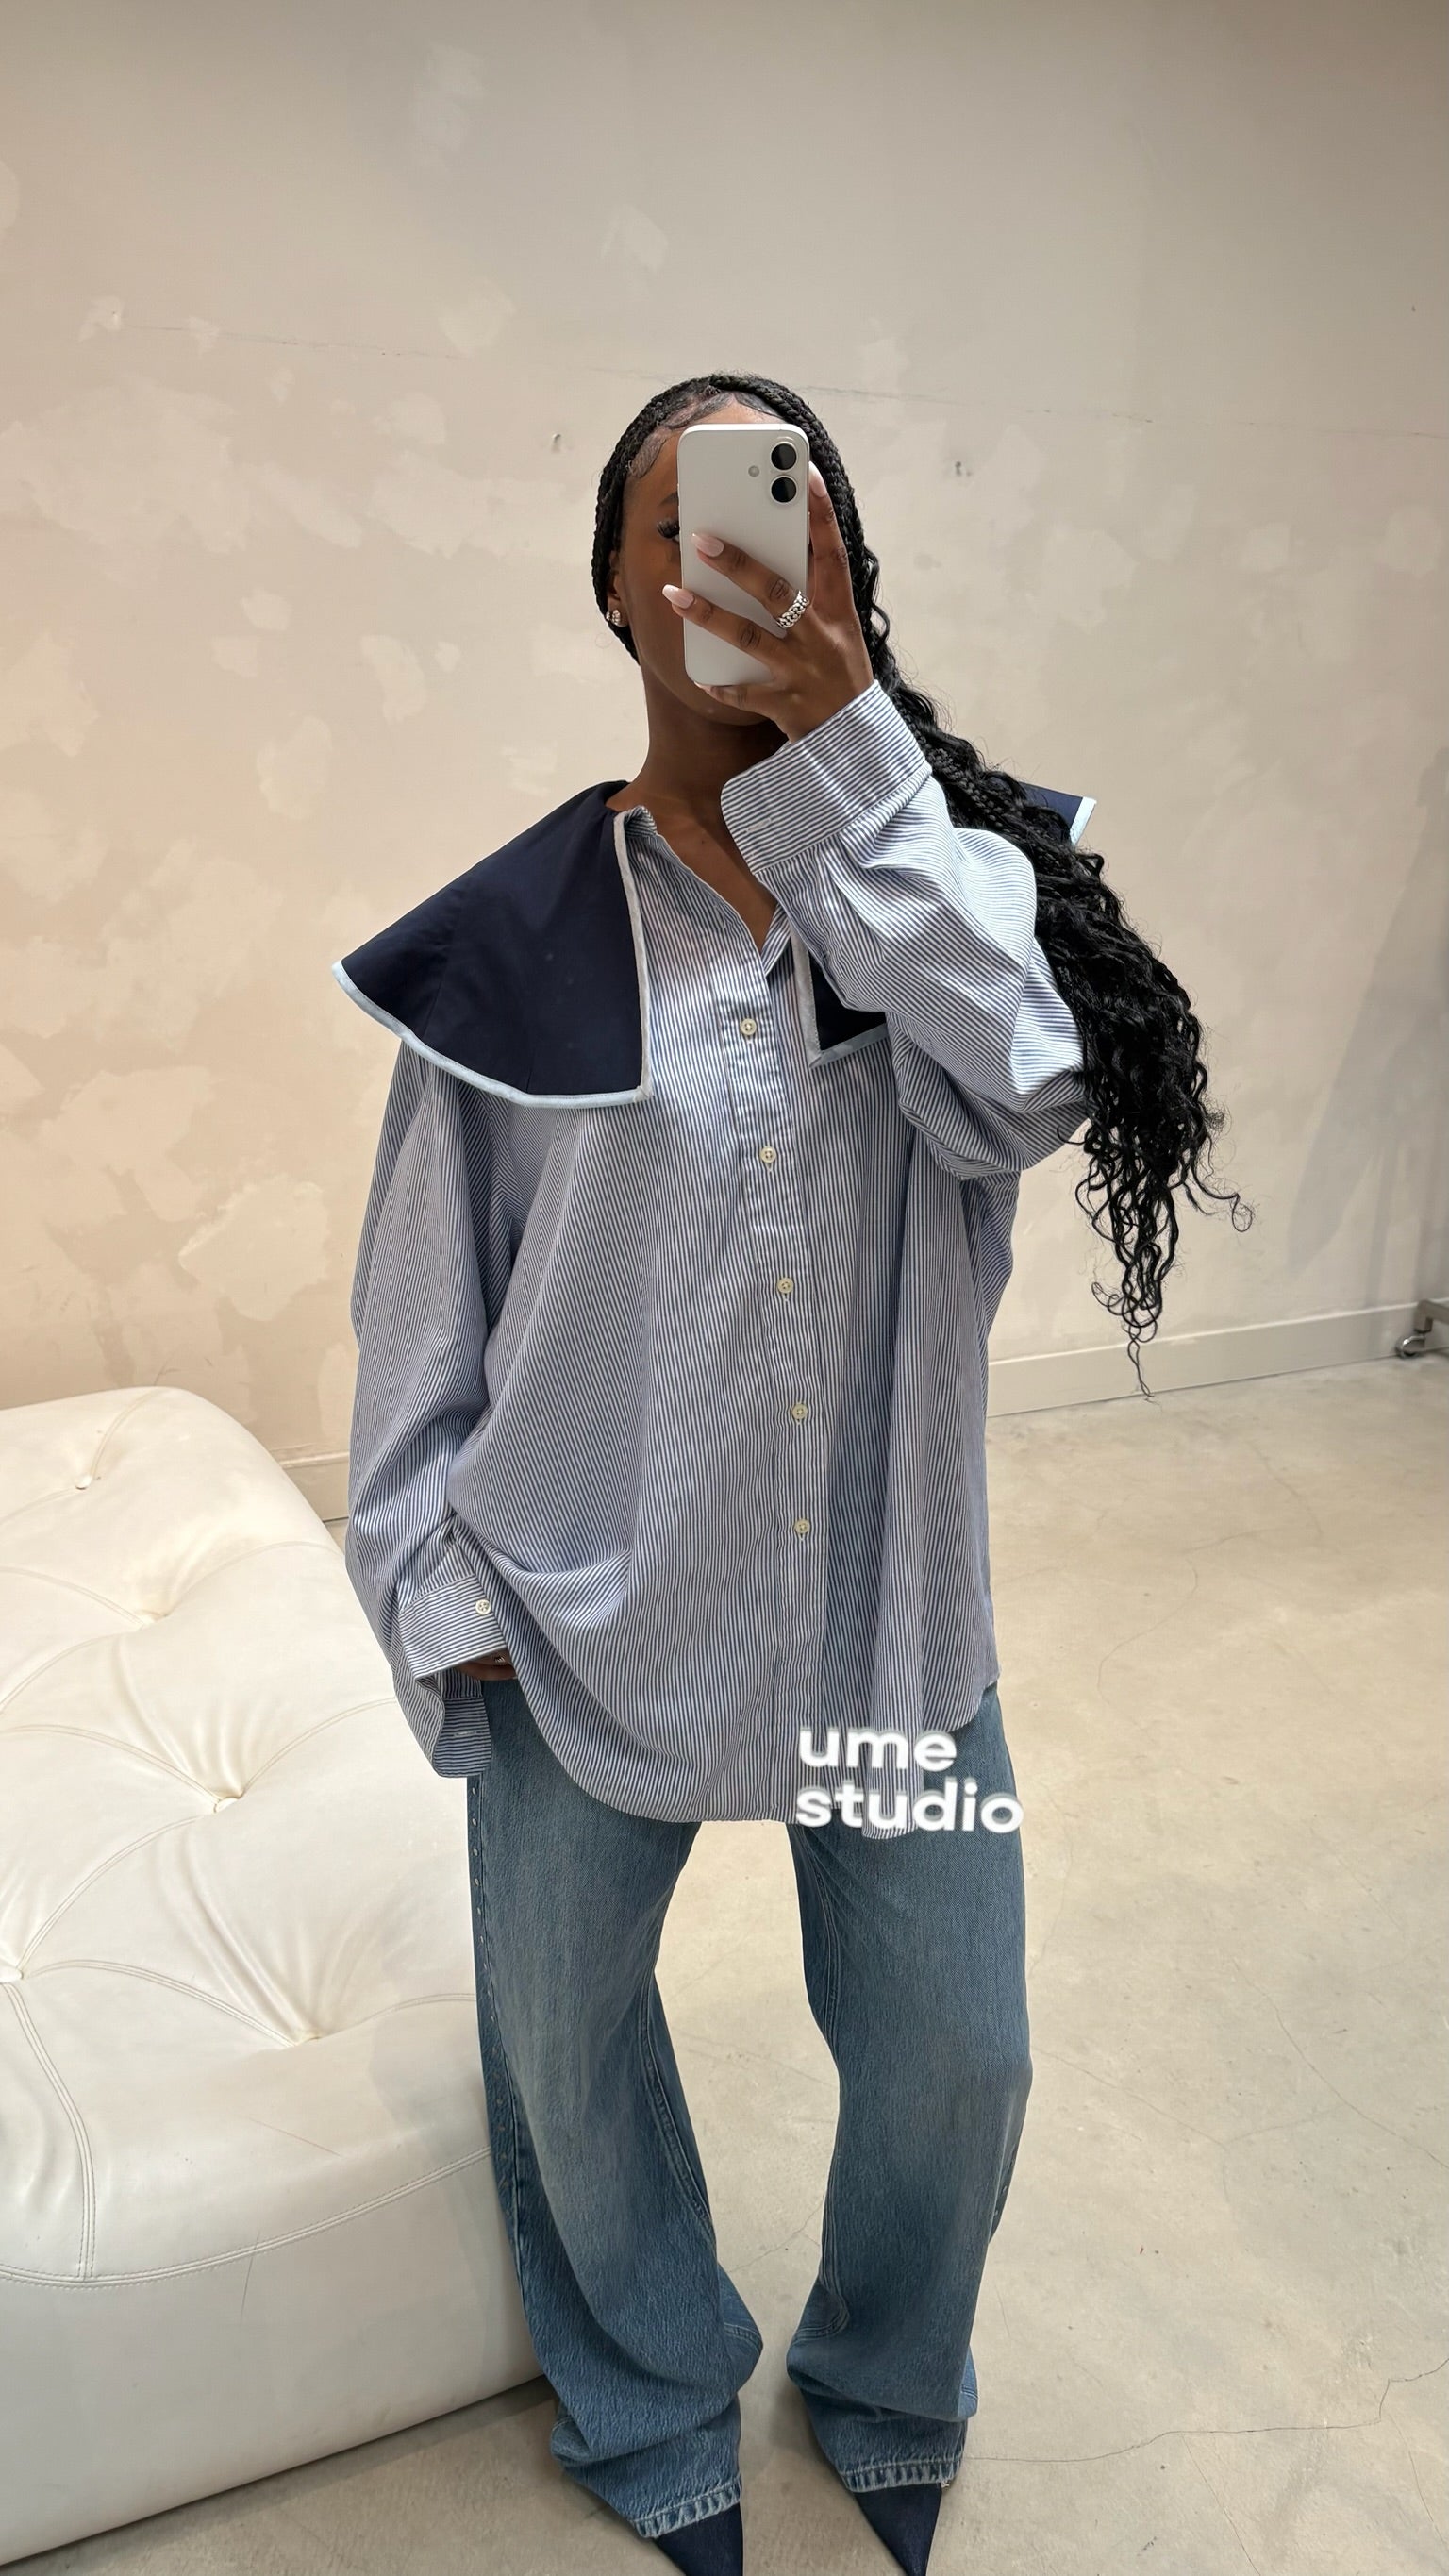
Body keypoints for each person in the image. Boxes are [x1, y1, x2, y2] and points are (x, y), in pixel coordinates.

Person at [334, 372, 1250, 2573]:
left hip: (879, 1644)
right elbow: (422, 1325)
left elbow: (1028, 1086)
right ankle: (652, 2399)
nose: (731, 565)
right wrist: (444, 1612)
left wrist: (851, 769)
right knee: (565, 2053)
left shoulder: (945, 892)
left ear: (844, 566)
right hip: (592, 1637)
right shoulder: (510, 952)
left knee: (958, 2051)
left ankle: (885, 2378)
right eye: (687, 529)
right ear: (615, 587)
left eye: (780, 518)